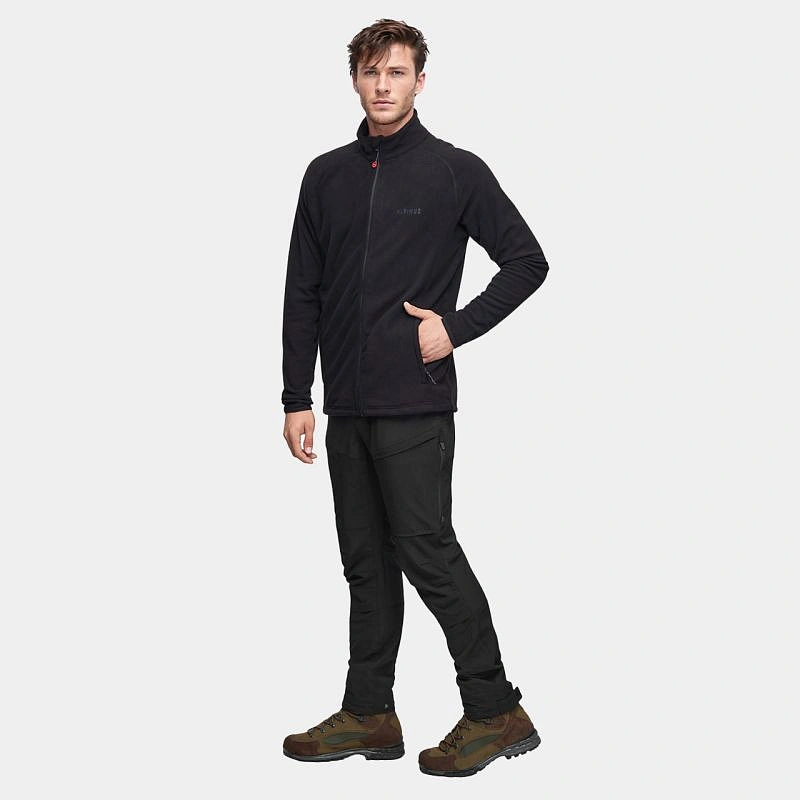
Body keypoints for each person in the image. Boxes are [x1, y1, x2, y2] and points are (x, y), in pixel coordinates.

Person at [280, 18, 549, 778]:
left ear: (419, 81)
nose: (383, 86)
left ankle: (494, 709)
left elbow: (527, 261)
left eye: (396, 72)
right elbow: (303, 290)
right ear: (354, 80)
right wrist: (297, 394)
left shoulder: (454, 171)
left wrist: (454, 329)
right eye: (371, 73)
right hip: (346, 407)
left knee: (428, 552)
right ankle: (370, 711)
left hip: (416, 404)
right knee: (365, 563)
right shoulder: (325, 176)